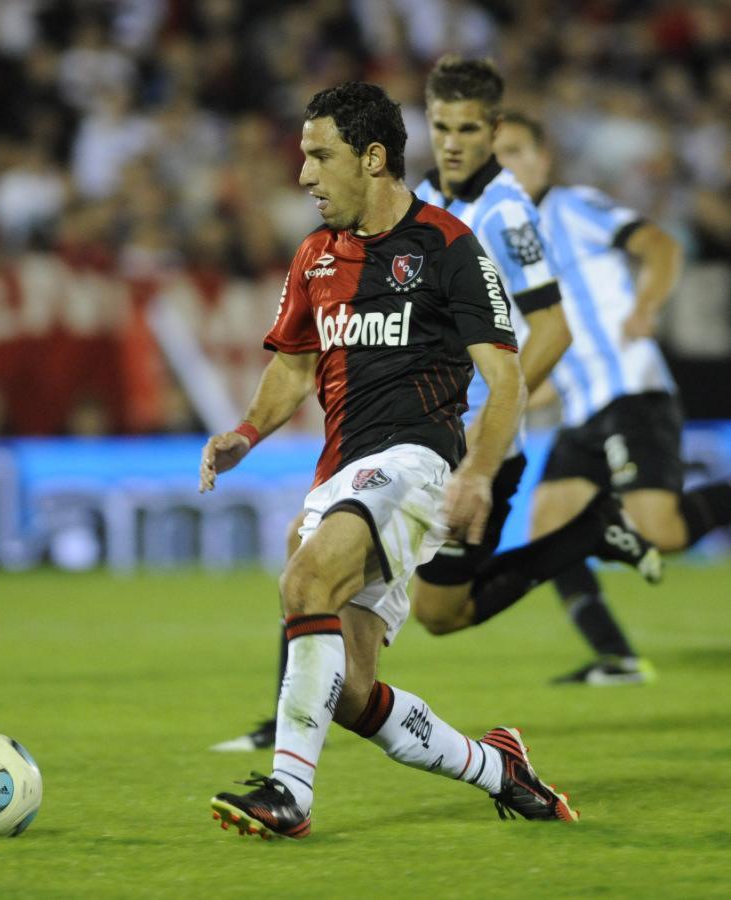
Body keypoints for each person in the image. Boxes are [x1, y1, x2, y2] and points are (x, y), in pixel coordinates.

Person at [211, 58, 659, 752]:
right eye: (441, 126)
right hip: (415, 431)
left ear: (493, 130)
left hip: (463, 438)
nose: (451, 142)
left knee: (331, 559)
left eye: (467, 128)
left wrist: (489, 425)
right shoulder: (408, 201)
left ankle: (293, 743)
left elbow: (553, 327)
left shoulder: (506, 213)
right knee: (411, 597)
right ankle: (585, 539)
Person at [200, 81, 578, 839]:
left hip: (415, 463)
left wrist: (476, 471)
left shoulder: (446, 246)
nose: (303, 175)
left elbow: (504, 380)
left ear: (372, 158)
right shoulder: (314, 256)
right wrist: (246, 431)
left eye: (318, 156)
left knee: (304, 580)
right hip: (339, 473)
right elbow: (295, 368)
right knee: (347, 690)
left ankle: (287, 795)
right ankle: (498, 767)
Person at [486, 111, 731, 683]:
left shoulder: (573, 208)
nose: (509, 166)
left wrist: (647, 304)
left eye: (518, 151)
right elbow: (542, 367)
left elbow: (660, 246)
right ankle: (617, 658)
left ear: (543, 158)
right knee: (548, 527)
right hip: (583, 412)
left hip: (630, 393)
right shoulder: (503, 253)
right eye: (497, 158)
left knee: (661, 532)